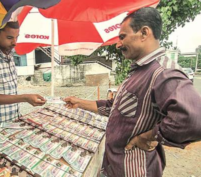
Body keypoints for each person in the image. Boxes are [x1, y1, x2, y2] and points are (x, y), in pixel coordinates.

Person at [64, 7, 201, 177]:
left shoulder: (163, 72)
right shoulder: (139, 71)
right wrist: (79, 102)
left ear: (144, 33)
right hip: (114, 166)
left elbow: (194, 119)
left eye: (123, 37)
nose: (118, 44)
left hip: (134, 170)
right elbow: (114, 107)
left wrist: (150, 136)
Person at [0, 21, 46, 130]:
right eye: (10, 37)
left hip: (15, 120)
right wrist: (25, 97)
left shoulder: (9, 55)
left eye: (17, 37)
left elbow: (10, 91)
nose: (15, 42)